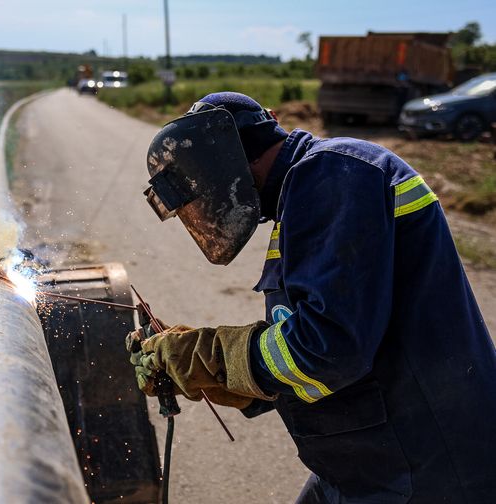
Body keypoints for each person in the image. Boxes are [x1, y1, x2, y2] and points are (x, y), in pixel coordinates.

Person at [128, 92, 496, 503]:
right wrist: (219, 375)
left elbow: (329, 347)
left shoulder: (334, 172)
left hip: (426, 469)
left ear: (219, 162)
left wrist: (213, 355)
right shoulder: (307, 194)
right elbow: (312, 337)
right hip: (368, 461)